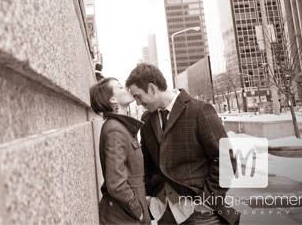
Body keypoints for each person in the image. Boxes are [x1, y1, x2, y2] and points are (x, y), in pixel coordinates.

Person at [125, 64, 240, 225]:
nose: (137, 103)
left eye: (138, 96)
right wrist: (153, 195)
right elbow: (148, 165)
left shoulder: (200, 110)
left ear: (152, 88)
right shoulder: (146, 120)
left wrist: (205, 201)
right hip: (164, 211)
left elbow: (225, 160)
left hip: (200, 213)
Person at [90, 77, 151, 225]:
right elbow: (116, 183)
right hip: (123, 218)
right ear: (112, 99)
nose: (126, 87)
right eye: (120, 87)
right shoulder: (115, 130)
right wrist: (138, 210)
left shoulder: (121, 127)